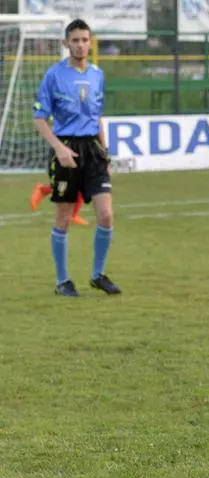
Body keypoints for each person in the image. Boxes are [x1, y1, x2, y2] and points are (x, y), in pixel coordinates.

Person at [33, 18, 120, 297]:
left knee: (106, 215)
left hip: (93, 149)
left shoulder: (98, 75)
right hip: (66, 148)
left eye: (85, 40)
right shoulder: (54, 75)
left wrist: (105, 153)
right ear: (66, 43)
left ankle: (98, 274)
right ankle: (62, 281)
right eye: (75, 40)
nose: (81, 45)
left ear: (90, 43)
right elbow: (39, 118)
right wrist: (59, 148)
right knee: (63, 219)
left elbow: (97, 117)